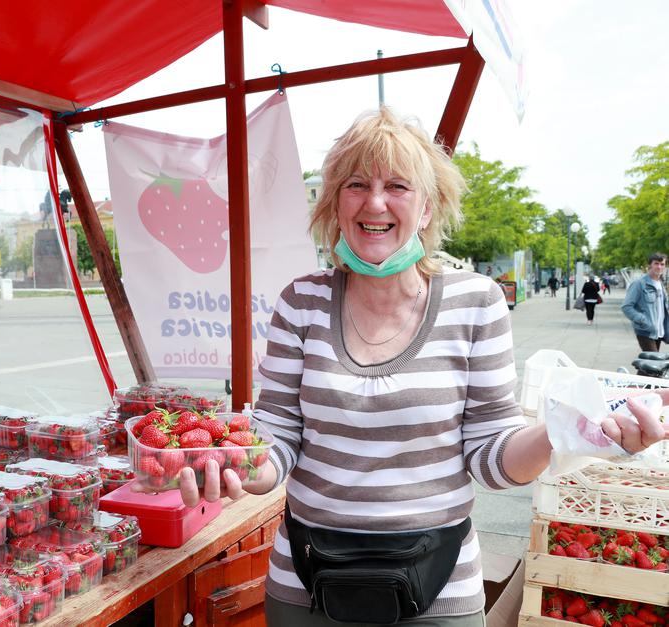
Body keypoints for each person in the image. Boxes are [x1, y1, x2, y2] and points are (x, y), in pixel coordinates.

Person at [167, 109, 669, 627]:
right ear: (336, 204)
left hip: (439, 591)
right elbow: (279, 437)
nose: (375, 202)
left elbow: (489, 456)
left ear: (427, 208)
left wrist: (566, 429)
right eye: (356, 184)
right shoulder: (302, 301)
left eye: (398, 186)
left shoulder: (477, 303)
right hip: (306, 585)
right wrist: (239, 466)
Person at [621, 253, 669, 352]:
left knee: (650, 363)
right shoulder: (639, 284)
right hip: (646, 331)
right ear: (650, 265)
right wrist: (643, 320)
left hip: (659, 331)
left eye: (662, 264)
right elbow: (626, 307)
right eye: (656, 263)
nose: (659, 267)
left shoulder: (661, 285)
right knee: (654, 361)